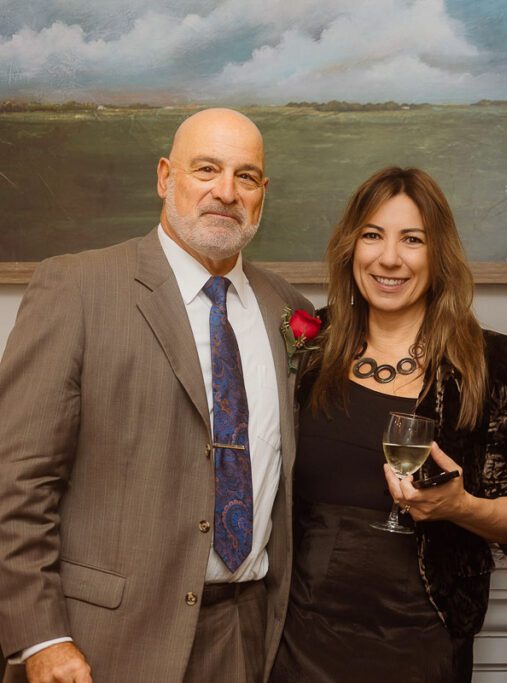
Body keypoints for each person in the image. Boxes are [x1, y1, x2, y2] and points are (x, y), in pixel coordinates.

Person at [0, 108, 313, 683]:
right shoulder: (77, 288)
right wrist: (42, 636)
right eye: (207, 169)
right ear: (166, 177)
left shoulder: (287, 310)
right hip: (103, 642)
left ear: (262, 194)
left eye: (245, 176)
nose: (226, 192)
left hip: (246, 634)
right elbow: (17, 479)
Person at [268, 167, 507, 683]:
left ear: (439, 254)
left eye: (412, 239)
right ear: (351, 247)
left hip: (423, 639)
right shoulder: (311, 345)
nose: (389, 258)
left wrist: (460, 507)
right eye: (373, 235)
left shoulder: (490, 361)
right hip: (301, 636)